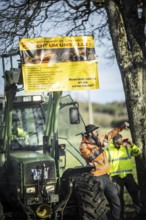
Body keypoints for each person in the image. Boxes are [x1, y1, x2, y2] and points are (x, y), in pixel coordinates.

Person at [79, 122, 129, 220]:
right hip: (95, 177)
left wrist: (121, 127)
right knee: (98, 204)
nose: (97, 133)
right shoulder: (83, 146)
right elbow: (91, 157)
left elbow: (110, 134)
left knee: (116, 201)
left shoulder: (99, 139)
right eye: (95, 131)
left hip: (106, 176)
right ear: (90, 134)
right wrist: (102, 147)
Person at [106, 134, 146, 219]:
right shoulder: (109, 149)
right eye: (120, 139)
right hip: (116, 177)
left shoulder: (126, 147)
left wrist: (132, 145)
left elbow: (137, 152)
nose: (122, 140)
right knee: (119, 197)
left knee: (135, 193)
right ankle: (121, 216)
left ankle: (140, 214)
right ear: (115, 140)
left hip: (128, 176)